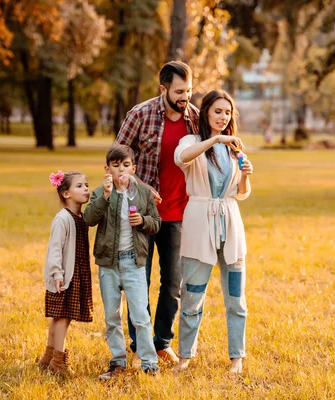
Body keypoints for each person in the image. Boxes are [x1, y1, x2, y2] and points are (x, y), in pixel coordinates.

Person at [116, 61, 199, 365]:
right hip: (142, 214)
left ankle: (162, 341)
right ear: (163, 88)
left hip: (178, 213)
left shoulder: (195, 119)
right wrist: (140, 184)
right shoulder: (140, 114)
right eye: (179, 91)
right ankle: (140, 345)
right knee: (140, 280)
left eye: (188, 91)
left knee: (173, 281)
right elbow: (117, 159)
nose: (185, 97)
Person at [172, 89, 253, 374]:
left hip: (230, 227)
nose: (223, 117)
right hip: (199, 227)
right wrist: (215, 139)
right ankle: (185, 357)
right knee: (192, 295)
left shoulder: (235, 149)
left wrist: (244, 174)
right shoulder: (193, 141)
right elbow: (181, 158)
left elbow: (241, 194)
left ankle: (236, 359)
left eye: (228, 112)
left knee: (236, 299)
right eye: (218, 111)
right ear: (205, 112)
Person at [84, 144, 162, 379]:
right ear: (107, 169)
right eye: (115, 166)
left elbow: (156, 223)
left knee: (141, 316)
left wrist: (144, 221)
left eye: (125, 165)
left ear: (133, 168)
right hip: (108, 264)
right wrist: (106, 197)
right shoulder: (101, 193)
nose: (121, 170)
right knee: (112, 316)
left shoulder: (144, 193)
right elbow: (89, 218)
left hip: (133, 263)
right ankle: (117, 361)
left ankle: (149, 363)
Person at [37, 171, 93, 377]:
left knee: (60, 316)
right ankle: (58, 361)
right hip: (64, 275)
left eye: (86, 184)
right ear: (66, 193)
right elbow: (55, 248)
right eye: (79, 186)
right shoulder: (62, 219)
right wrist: (57, 273)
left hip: (76, 273)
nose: (86, 188)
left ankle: (48, 356)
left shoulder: (80, 217)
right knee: (63, 316)